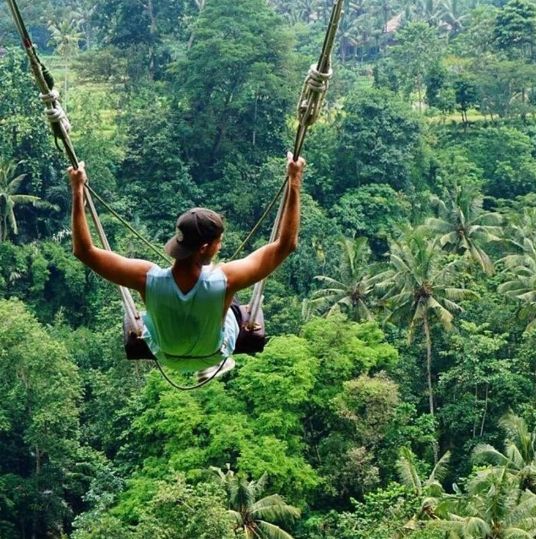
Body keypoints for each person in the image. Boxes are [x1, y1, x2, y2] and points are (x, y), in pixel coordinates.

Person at [68, 152, 305, 382]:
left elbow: (84, 251)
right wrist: (294, 182)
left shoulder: (146, 278)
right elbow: (285, 245)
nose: (220, 247)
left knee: (174, 304)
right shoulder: (225, 279)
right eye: (218, 242)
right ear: (203, 247)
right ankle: (213, 361)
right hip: (214, 352)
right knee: (229, 296)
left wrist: (77, 190)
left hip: (166, 354)